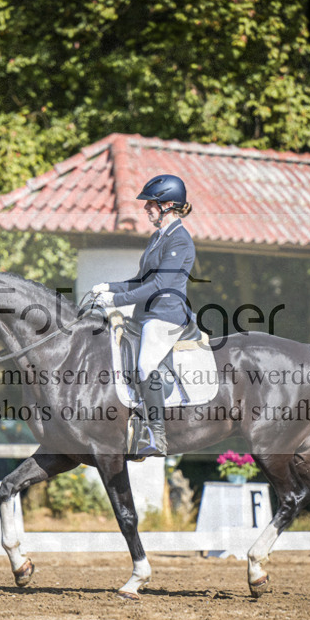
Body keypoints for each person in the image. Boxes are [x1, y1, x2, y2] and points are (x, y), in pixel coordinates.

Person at [92, 174, 197, 458]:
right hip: (145, 315)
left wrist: (117, 300)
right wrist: (108, 287)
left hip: (166, 316)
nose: (146, 208)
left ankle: (157, 435)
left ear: (169, 205)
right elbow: (141, 280)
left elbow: (160, 285)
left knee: (146, 365)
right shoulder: (158, 237)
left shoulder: (181, 240)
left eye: (152, 203)